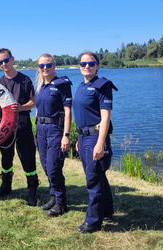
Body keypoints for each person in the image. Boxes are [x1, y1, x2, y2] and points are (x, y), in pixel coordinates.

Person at [73, 51, 118, 233]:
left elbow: (105, 117)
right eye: (83, 64)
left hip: (95, 137)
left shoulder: (102, 86)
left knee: (93, 179)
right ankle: (106, 211)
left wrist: (100, 143)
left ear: (97, 66)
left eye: (91, 64)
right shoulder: (81, 86)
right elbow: (80, 116)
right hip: (83, 136)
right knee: (97, 175)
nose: (87, 67)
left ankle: (93, 221)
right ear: (79, 66)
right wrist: (77, 138)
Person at [0, 48, 39, 206]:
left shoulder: (25, 80)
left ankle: (32, 190)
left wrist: (22, 107)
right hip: (4, 127)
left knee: (27, 157)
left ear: (12, 59)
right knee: (6, 157)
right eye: (0, 62)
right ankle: (6, 186)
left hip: (22, 123)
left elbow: (33, 101)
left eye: (6, 60)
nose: (4, 64)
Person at [35, 53, 72, 217]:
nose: (45, 68)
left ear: (54, 66)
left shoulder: (62, 84)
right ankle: (53, 197)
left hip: (55, 130)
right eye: (42, 66)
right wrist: (36, 132)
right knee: (45, 165)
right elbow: (37, 110)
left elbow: (68, 111)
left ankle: (61, 203)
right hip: (41, 129)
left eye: (48, 65)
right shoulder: (41, 85)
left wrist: (66, 135)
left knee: (54, 167)